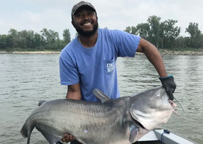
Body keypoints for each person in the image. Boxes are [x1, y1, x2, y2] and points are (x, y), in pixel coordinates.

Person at [59, 1, 176, 144]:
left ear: (96, 17)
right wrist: (70, 125)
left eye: (90, 14)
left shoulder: (112, 38)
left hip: (116, 114)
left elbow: (147, 47)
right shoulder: (68, 54)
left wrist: (165, 78)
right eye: (79, 15)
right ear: (73, 23)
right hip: (85, 118)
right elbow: (74, 92)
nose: (86, 18)